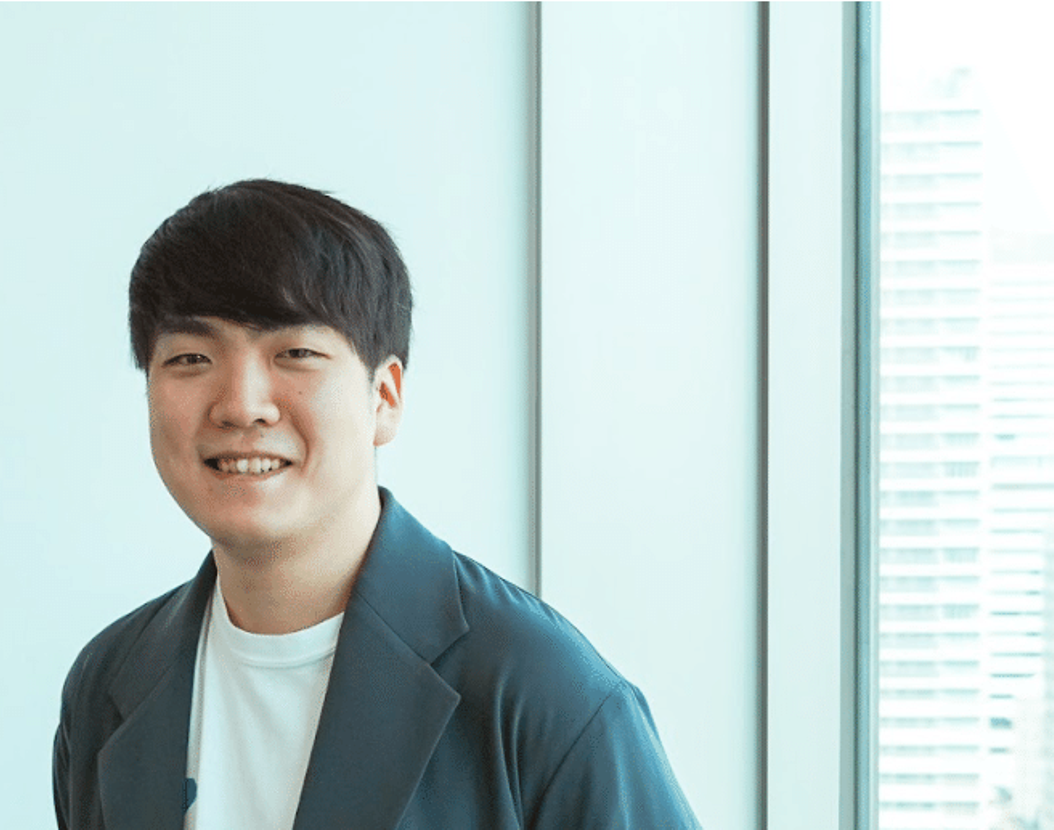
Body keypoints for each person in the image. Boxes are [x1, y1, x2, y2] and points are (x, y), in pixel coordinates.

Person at [52, 179, 700, 829]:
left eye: (296, 353)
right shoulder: (108, 682)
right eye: (191, 357)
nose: (242, 405)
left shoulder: (542, 688)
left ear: (384, 397)